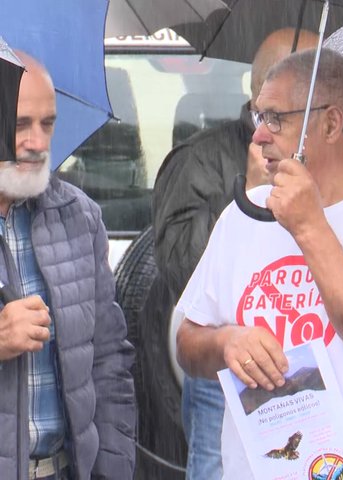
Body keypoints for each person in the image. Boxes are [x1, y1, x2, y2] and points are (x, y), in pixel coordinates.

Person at [174, 48, 343, 479]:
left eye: (276, 118)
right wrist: (226, 342)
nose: (259, 136)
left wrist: (310, 226)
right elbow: (187, 342)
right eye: (257, 116)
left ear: (331, 124)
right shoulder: (244, 213)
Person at [151, 28, 318, 479]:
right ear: (260, 89)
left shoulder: (324, 160)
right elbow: (178, 267)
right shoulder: (198, 160)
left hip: (308, 364)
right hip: (225, 371)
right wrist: (246, 197)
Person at [0, 51, 135, 479]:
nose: (38, 142)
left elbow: (109, 363)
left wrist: (113, 468)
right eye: (21, 124)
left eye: (48, 123)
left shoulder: (79, 217)